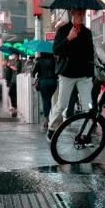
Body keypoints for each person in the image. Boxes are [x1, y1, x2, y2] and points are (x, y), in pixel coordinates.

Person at [47, 8, 94, 140]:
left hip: (84, 74)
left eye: (83, 14)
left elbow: (90, 54)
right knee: (61, 104)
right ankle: (52, 128)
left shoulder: (86, 33)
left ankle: (85, 134)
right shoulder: (63, 31)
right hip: (67, 73)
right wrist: (69, 38)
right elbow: (56, 51)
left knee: (88, 106)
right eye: (79, 13)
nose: (82, 16)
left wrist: (93, 73)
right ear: (72, 13)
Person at [32, 51, 57, 129]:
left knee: (45, 100)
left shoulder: (39, 60)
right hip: (53, 81)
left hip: (43, 82)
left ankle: (46, 118)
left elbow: (33, 72)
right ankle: (50, 117)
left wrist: (35, 63)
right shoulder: (54, 60)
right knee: (49, 99)